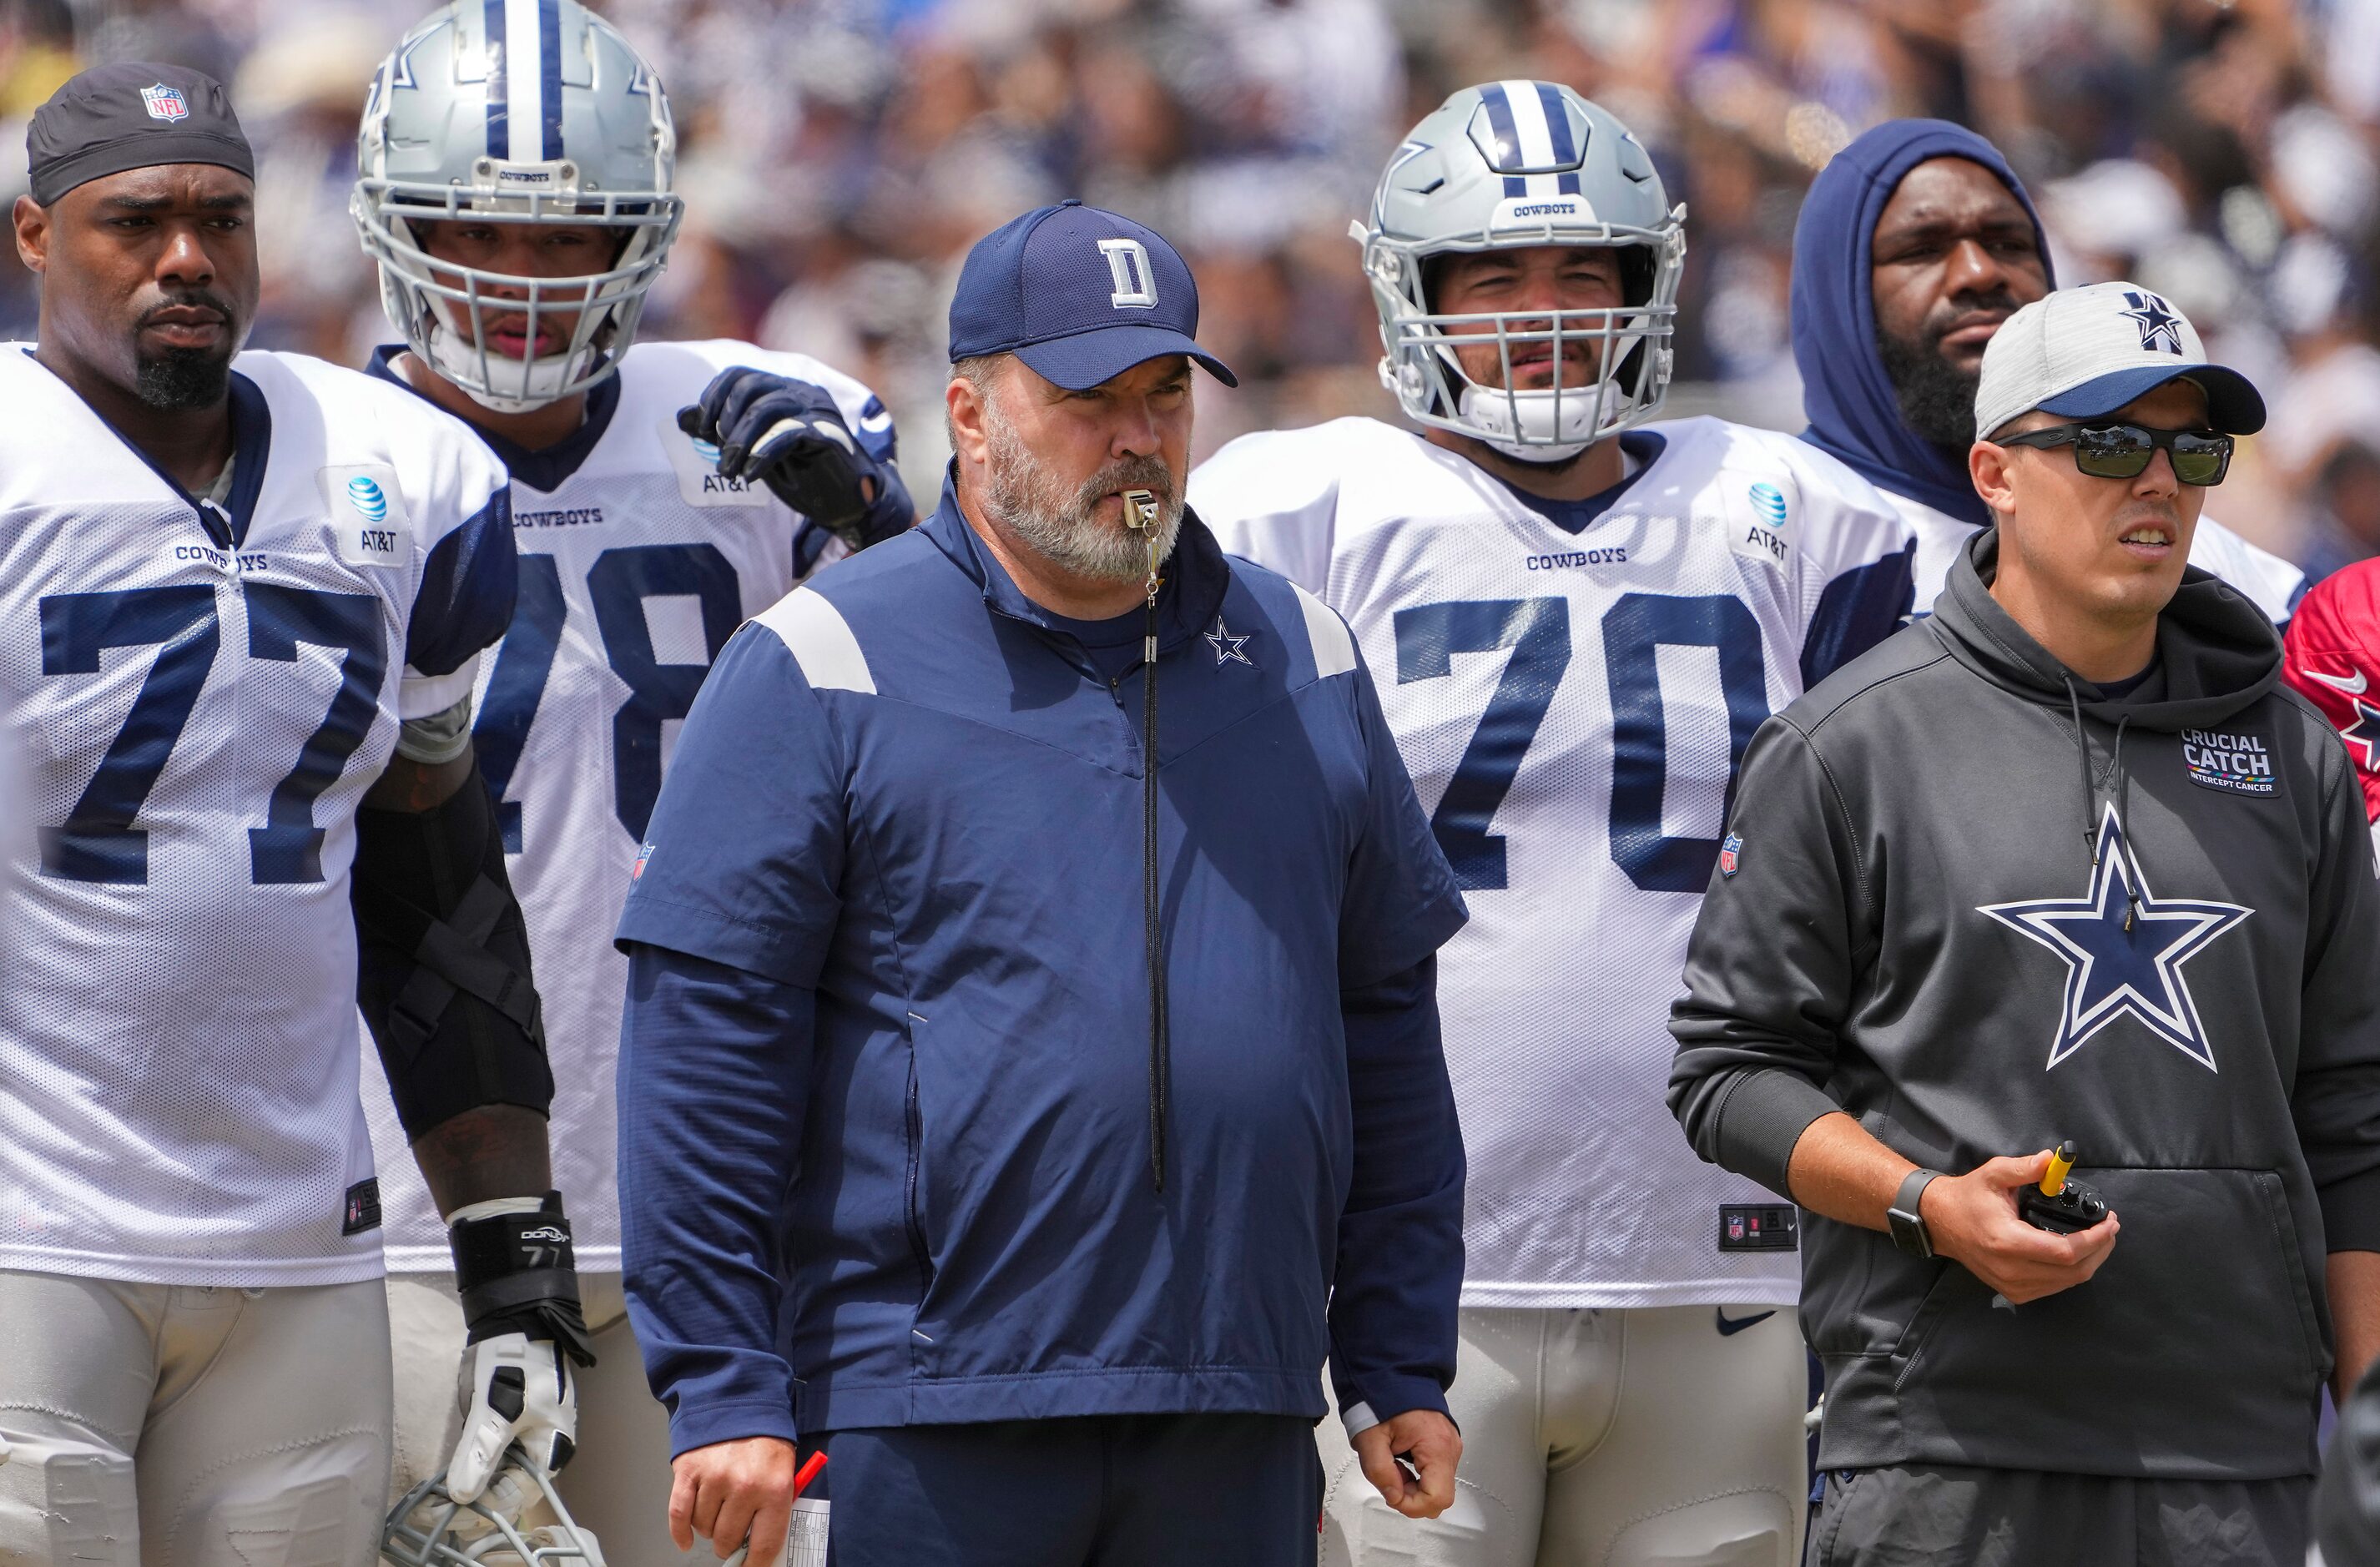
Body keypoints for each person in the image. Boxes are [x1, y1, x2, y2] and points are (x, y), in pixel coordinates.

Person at [613, 200, 1470, 1567]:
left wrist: (1395, 1348)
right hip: (924, 1412)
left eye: (1165, 392)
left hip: (1232, 1403)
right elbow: (702, 1057)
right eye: (1087, 399)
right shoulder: (821, 658)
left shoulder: (1301, 649)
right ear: (967, 410)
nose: (1137, 436)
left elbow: (1385, 1027)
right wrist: (722, 1379)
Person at [1192, 82, 1914, 1567]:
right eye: (1494, 274)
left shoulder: (1784, 507)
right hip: (1398, 1289)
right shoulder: (1299, 503)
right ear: (1411, 294)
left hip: (1715, 1264)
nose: (1543, 311)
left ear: (1652, 285)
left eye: (1585, 271)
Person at [1669, 281, 2380, 1566]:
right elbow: (1729, 1071)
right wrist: (1926, 1203)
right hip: (1942, 1448)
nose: (2157, 483)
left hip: (2239, 1455)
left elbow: (2352, 1111)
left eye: (2193, 449)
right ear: (1994, 472)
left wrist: (2372, 1426)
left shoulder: (2295, 758)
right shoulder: (1848, 746)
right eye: (2108, 444)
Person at [345, 5, 913, 1558]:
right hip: (406, 1202)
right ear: (396, 225)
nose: (523, 282)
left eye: (570, 237)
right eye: (481, 232)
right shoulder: (315, 453)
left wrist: (884, 531)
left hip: (721, 1204)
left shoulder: (751, 428)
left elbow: (973, 741)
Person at [0, 65, 584, 1566]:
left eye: (220, 218)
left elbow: (432, 879)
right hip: (30, 1241)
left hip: (301, 1253)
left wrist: (509, 1239)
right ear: (32, 239)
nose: (186, 256)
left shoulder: (401, 477)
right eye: (134, 221)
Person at [1790, 118, 2304, 622]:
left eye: (2008, 244)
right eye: (1923, 248)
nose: (1979, 272)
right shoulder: (1775, 521)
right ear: (1837, 288)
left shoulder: (2191, 560)